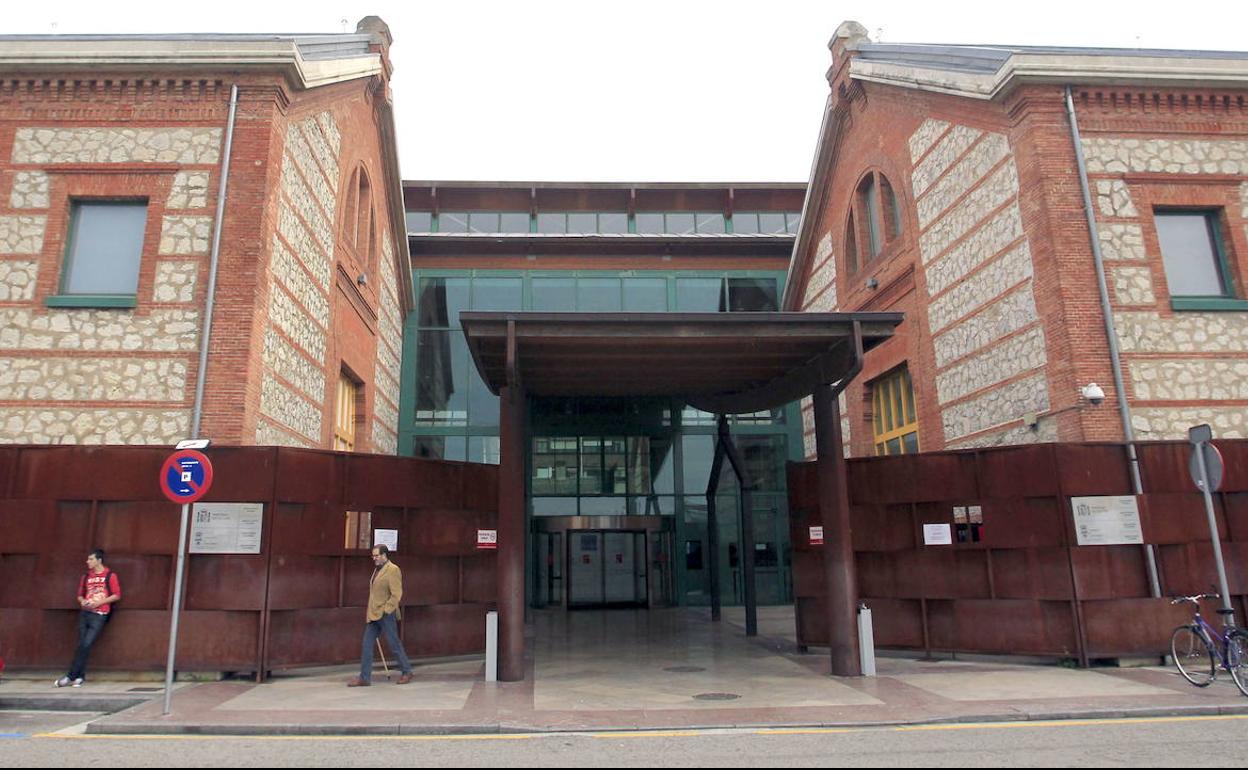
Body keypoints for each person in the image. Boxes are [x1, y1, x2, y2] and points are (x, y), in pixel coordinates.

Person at [348, 544, 413, 686]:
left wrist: (387, 609)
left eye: (377, 556)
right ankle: (364, 678)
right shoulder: (377, 570)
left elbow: (397, 594)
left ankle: (406, 671)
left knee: (393, 644)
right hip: (373, 614)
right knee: (366, 645)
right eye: (373, 556)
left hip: (385, 614)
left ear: (384, 555)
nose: (374, 558)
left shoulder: (393, 570)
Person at [55, 548, 121, 688]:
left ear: (99, 560)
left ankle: (70, 676)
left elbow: (116, 595)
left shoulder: (110, 575)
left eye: (91, 559)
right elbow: (80, 594)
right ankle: (80, 676)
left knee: (86, 643)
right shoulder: (86, 576)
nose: (88, 562)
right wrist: (82, 601)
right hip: (85, 612)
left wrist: (99, 603)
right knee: (82, 644)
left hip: (100, 614)